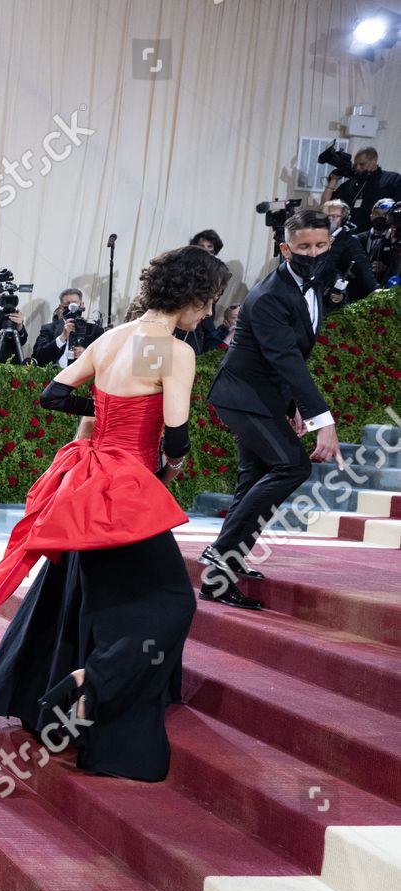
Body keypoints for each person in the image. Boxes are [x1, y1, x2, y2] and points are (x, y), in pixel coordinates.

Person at [0, 245, 226, 782]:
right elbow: (176, 435)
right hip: (128, 487)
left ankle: (87, 705)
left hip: (90, 479)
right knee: (173, 602)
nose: (207, 315)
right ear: (191, 296)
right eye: (207, 303)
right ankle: (91, 683)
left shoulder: (111, 338)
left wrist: (109, 410)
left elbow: (53, 395)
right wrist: (173, 465)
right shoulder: (170, 349)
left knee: (105, 602)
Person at [201, 209, 342, 609]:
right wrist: (323, 422)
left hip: (262, 398)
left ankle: (221, 573)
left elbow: (291, 357)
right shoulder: (268, 296)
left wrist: (294, 405)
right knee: (292, 466)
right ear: (285, 248)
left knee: (255, 476)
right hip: (243, 397)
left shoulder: (313, 285)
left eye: (320, 245)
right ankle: (221, 553)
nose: (313, 253)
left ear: (330, 244)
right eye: (303, 247)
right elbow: (288, 361)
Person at [322, 146, 401, 221]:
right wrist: (333, 180)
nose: (358, 168)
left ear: (374, 160)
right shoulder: (350, 184)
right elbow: (325, 205)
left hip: (375, 231)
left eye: (362, 164)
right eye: (356, 164)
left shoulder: (392, 179)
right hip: (350, 232)